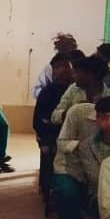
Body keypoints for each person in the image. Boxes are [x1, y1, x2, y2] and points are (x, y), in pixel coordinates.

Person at [35, 52, 76, 203]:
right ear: (53, 71)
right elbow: (38, 120)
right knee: (49, 153)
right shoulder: (47, 92)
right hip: (52, 136)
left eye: (66, 66)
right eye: (58, 67)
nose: (63, 70)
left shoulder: (77, 90)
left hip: (73, 136)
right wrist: (43, 141)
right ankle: (49, 193)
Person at [51, 56, 109, 126]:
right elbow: (54, 116)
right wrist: (73, 110)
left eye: (76, 72)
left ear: (90, 74)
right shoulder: (73, 89)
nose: (72, 76)